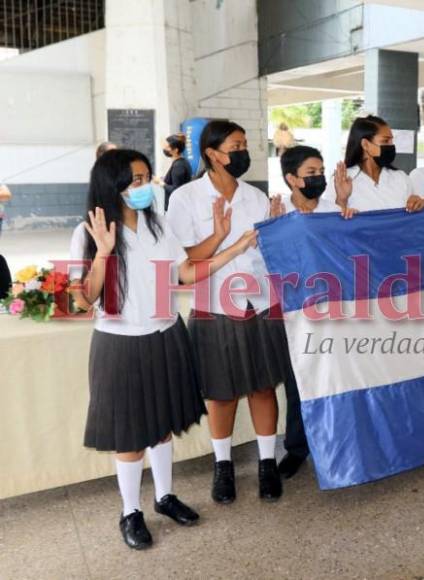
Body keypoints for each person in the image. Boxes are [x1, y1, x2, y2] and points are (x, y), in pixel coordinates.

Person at [68, 148, 257, 550]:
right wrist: (103, 253)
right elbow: (80, 301)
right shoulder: (86, 232)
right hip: (120, 343)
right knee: (132, 434)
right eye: (136, 180)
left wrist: (232, 246)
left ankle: (165, 497)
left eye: (147, 178)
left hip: (167, 334)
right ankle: (130, 511)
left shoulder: (158, 226)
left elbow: (185, 272)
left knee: (163, 426)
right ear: (113, 184)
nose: (145, 187)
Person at [167, 120, 289, 503]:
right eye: (235, 146)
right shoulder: (185, 198)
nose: (243, 152)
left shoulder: (255, 196)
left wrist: (277, 228)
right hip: (215, 305)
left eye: (245, 144)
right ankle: (223, 467)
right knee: (221, 394)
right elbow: (185, 261)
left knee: (263, 387)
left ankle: (267, 462)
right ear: (212, 154)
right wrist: (222, 239)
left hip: (260, 301)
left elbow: (268, 253)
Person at [274, 144, 356, 478]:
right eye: (312, 174)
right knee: (300, 382)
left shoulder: (335, 213)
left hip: (335, 313)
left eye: (321, 172)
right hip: (296, 313)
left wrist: (344, 206)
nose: (319, 178)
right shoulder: (277, 216)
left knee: (339, 376)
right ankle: (297, 448)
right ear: (291, 179)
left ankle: (341, 440)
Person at [327, 115, 424, 213]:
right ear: (365, 144)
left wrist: (416, 204)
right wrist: (342, 200)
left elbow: (414, 218)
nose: (391, 146)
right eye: (385, 141)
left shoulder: (401, 178)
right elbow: (330, 222)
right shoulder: (342, 180)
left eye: (392, 141)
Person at [156, 134, 193, 210]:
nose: (165, 149)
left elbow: (176, 190)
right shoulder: (182, 162)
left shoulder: (179, 166)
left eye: (168, 147)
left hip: (176, 208)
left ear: (175, 150)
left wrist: (160, 183)